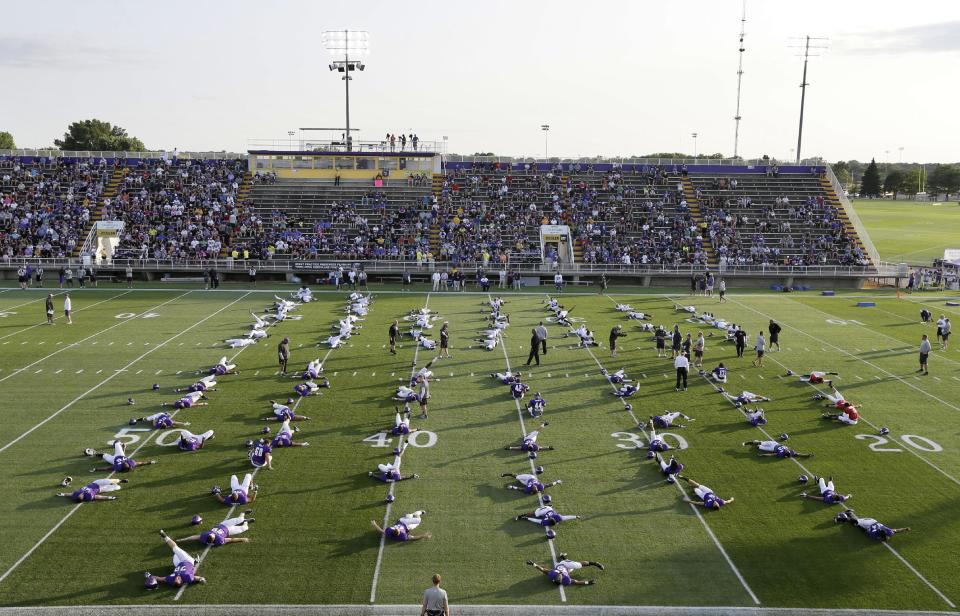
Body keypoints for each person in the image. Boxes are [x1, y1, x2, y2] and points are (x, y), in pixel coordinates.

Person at [176, 511, 255, 546]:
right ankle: (246, 521)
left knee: (239, 519)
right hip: (228, 531)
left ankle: (243, 513)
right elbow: (231, 540)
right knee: (245, 528)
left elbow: (194, 537)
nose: (212, 534)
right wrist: (242, 539)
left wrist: (183, 539)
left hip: (222, 524)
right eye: (213, 535)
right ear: (214, 539)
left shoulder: (205, 536)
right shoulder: (219, 540)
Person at [526, 554, 603, 586]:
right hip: (567, 570)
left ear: (554, 578)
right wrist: (588, 582)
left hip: (563, 564)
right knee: (572, 568)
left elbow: (542, 569)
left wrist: (533, 564)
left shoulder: (552, 574)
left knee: (578, 565)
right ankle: (563, 556)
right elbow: (576, 582)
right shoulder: (566, 580)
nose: (559, 575)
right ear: (561, 579)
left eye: (557, 576)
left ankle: (595, 563)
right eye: (560, 577)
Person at [87, 440, 157, 473]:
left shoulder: (117, 467)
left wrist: (96, 469)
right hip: (120, 454)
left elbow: (107, 468)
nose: (124, 462)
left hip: (113, 460)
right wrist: (150, 462)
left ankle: (93, 453)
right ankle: (121, 445)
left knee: (104, 455)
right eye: (126, 463)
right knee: (117, 442)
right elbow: (141, 463)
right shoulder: (132, 463)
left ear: (122, 467)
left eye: (124, 463)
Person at [840, 509, 910, 542]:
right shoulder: (874, 534)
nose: (887, 538)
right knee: (856, 523)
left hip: (873, 521)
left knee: (857, 522)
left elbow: (896, 530)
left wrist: (905, 529)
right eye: (885, 538)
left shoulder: (889, 532)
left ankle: (849, 514)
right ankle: (846, 515)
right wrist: (858, 526)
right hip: (868, 523)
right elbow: (865, 531)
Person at [56, 478, 126, 502]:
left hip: (95, 483)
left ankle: (121, 480)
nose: (80, 494)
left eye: (79, 495)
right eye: (81, 496)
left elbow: (70, 494)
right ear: (83, 498)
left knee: (108, 481)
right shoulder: (89, 496)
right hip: (101, 489)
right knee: (117, 487)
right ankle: (116, 484)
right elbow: (99, 497)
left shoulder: (76, 495)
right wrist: (110, 497)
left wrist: (62, 494)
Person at [515, 505, 581, 526]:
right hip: (546, 510)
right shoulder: (546, 522)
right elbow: (535, 520)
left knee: (539, 516)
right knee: (536, 514)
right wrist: (526, 518)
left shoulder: (558, 518)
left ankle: (548, 506)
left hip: (549, 510)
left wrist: (575, 516)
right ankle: (520, 516)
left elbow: (567, 517)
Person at [742, 439, 813, 458]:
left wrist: (763, 455)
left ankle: (753, 442)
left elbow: (772, 454)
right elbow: (798, 454)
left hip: (772, 448)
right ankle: (747, 443)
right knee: (760, 442)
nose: (786, 450)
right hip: (775, 443)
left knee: (758, 446)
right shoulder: (791, 452)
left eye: (785, 451)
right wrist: (807, 455)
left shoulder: (781, 454)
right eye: (786, 450)